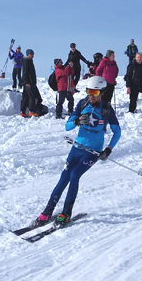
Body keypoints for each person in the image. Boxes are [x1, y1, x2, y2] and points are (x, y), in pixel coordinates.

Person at [35, 76, 121, 228]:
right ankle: (48, 211)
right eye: (89, 91)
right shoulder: (82, 103)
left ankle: (66, 214)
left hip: (93, 152)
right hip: (77, 148)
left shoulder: (107, 110)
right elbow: (67, 127)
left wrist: (108, 149)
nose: (91, 95)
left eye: (94, 92)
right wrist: (76, 121)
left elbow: (117, 132)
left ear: (101, 92)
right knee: (64, 177)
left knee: (75, 175)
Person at [21, 49, 43, 117]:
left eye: (33, 54)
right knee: (32, 96)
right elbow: (25, 72)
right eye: (31, 54)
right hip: (29, 83)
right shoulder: (26, 61)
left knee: (26, 97)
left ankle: (23, 111)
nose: (32, 55)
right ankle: (31, 111)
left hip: (31, 82)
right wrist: (26, 82)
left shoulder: (30, 61)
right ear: (28, 54)